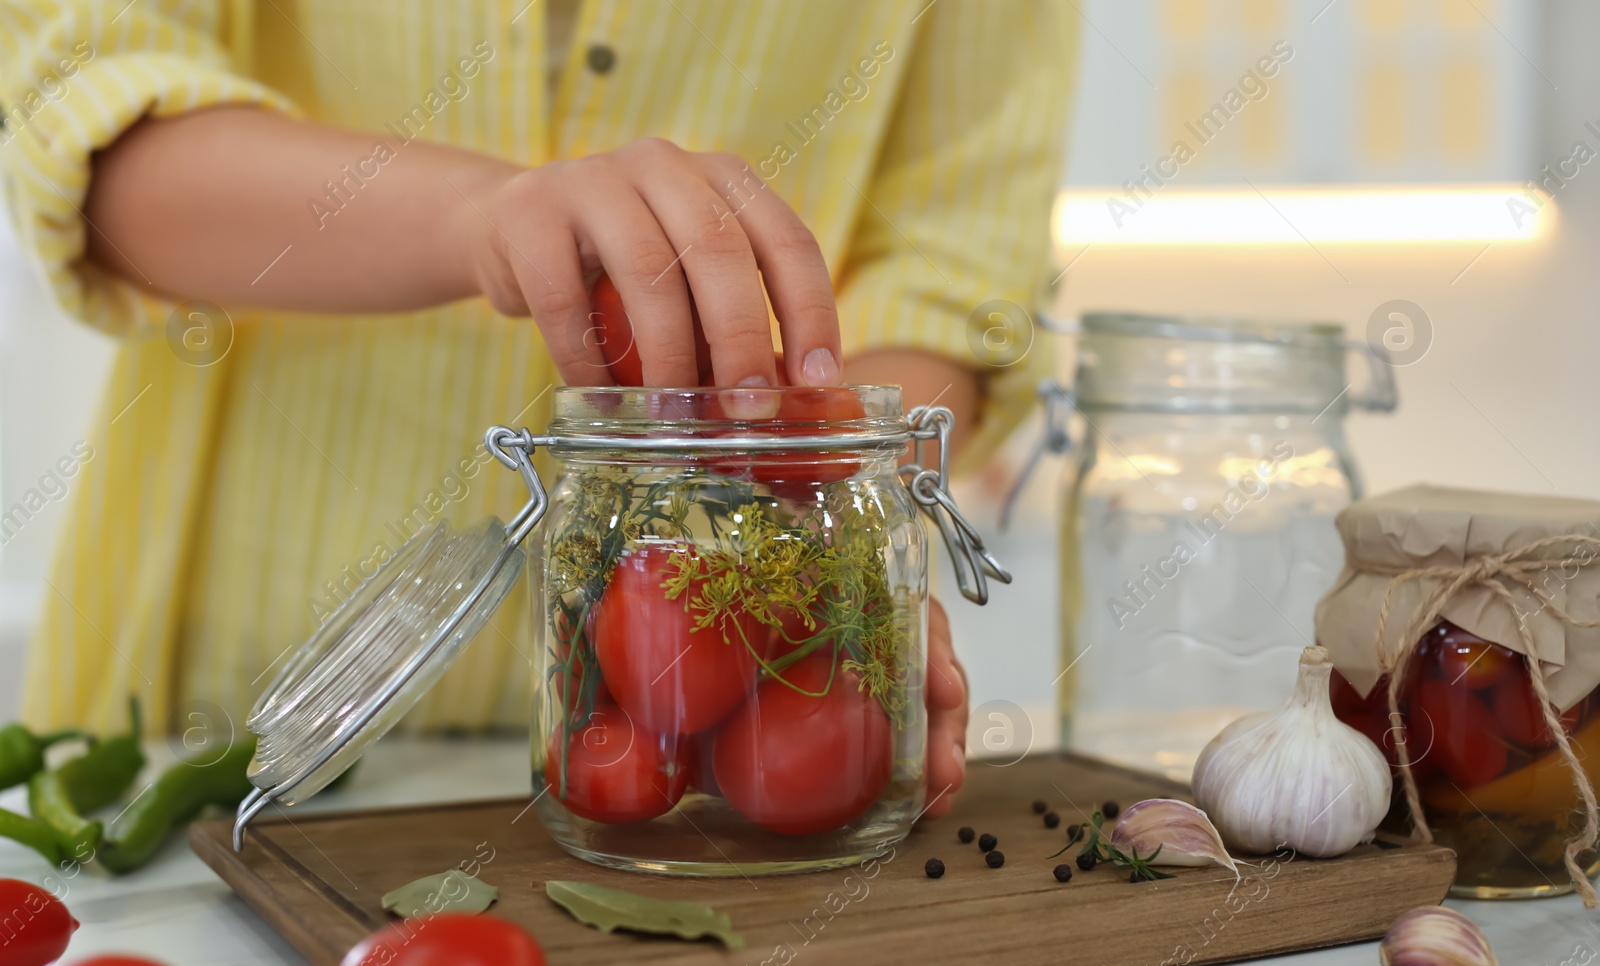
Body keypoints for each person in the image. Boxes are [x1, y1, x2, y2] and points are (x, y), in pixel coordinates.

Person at [1, 0, 1077, 818]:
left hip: (691, 766)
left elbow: (950, 264)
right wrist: (478, 221)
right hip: (220, 719)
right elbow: (77, 103)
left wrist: (835, 551)